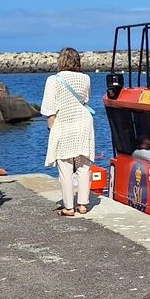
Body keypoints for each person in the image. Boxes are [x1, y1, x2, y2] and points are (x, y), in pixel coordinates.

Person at [41, 47, 96, 217]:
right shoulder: (86, 78)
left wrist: (51, 128)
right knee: (83, 165)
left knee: (65, 167)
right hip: (84, 121)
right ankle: (83, 205)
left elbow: (49, 108)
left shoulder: (54, 79)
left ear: (61, 61)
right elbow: (85, 100)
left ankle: (69, 207)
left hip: (64, 121)